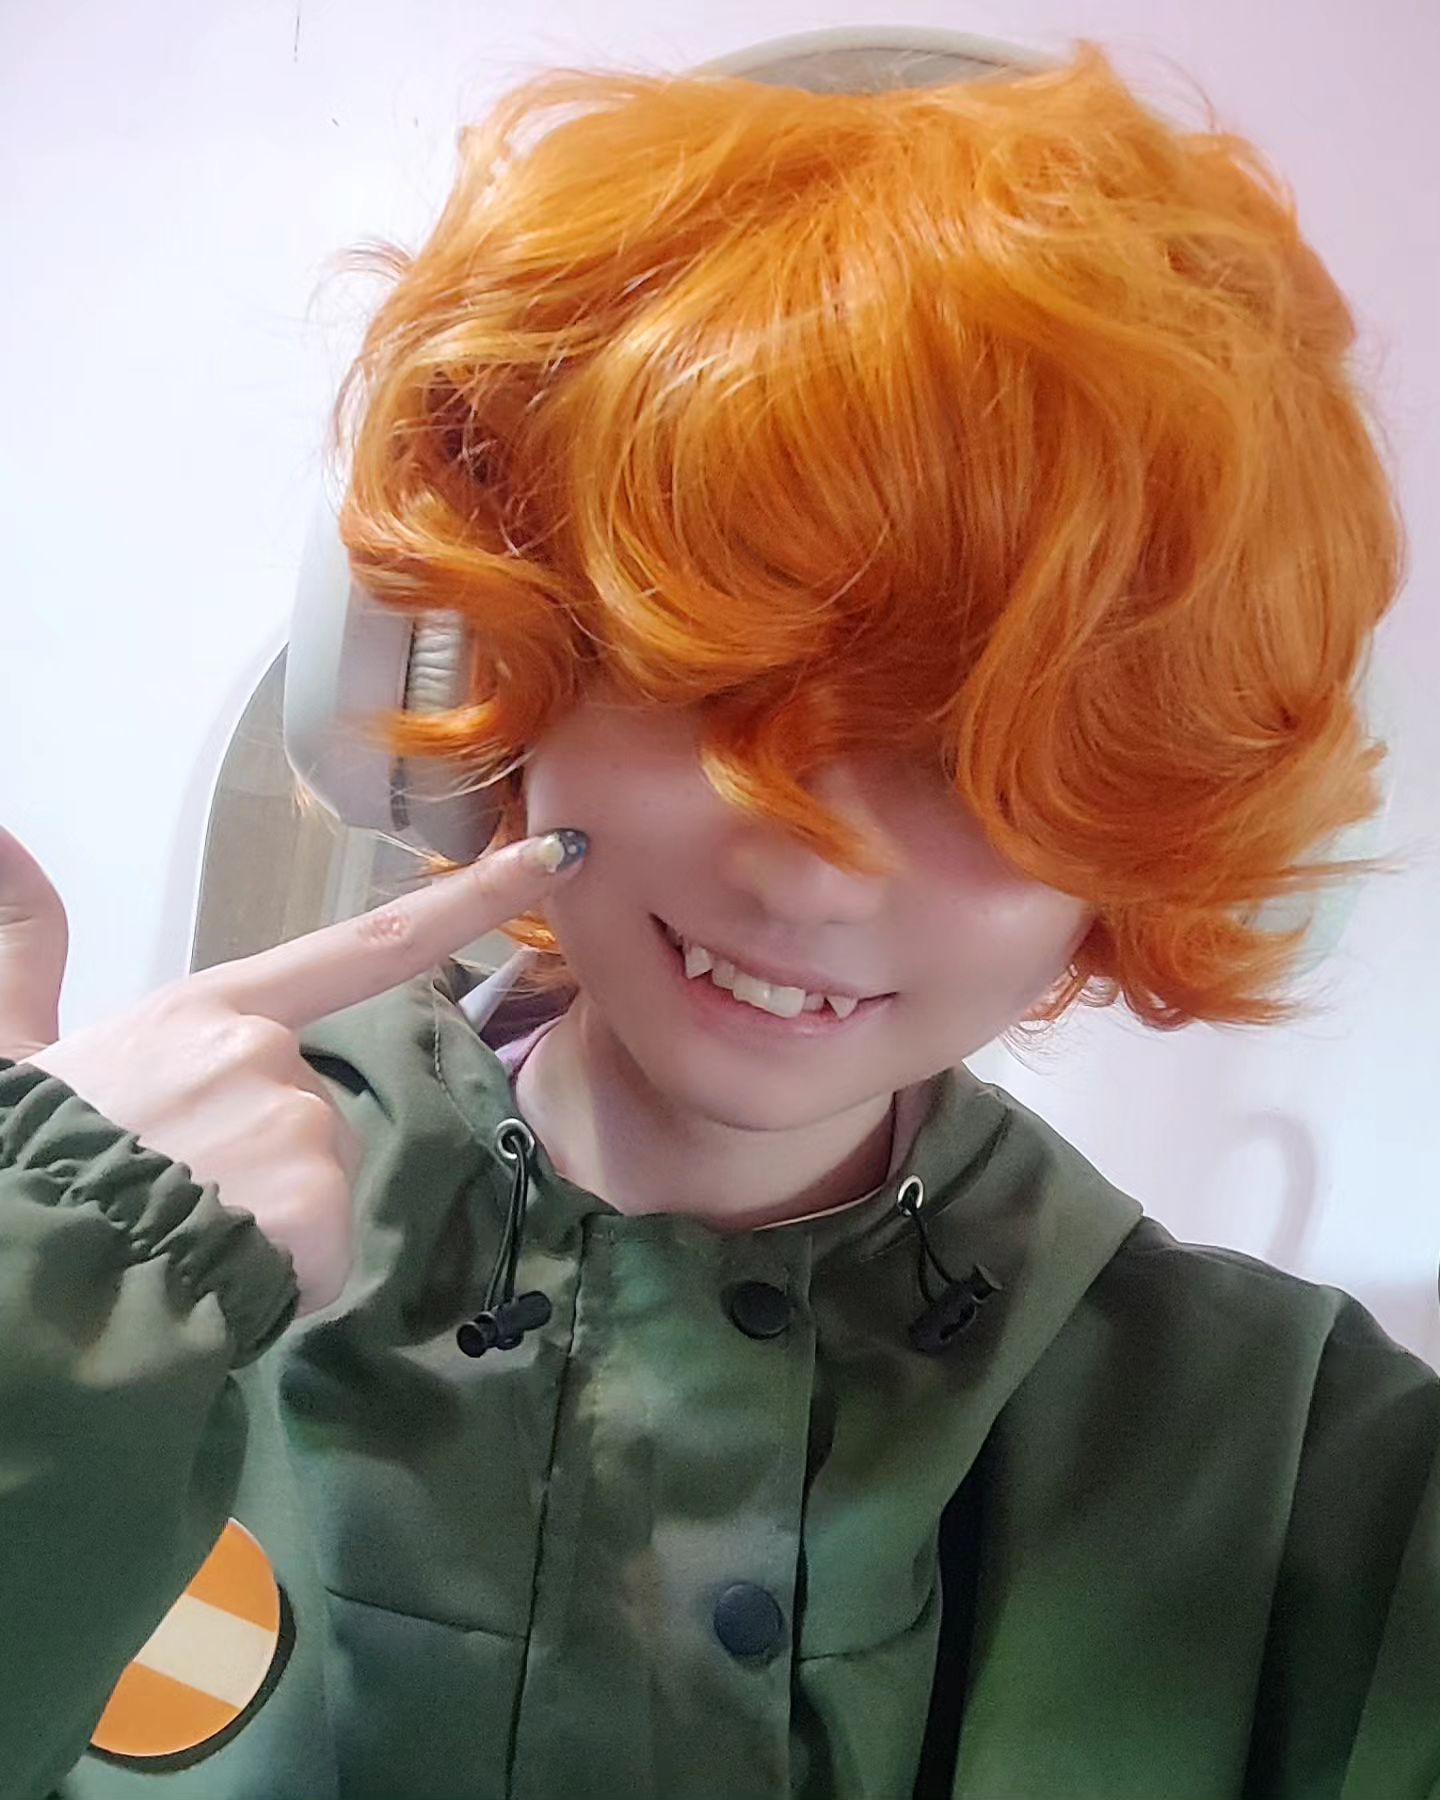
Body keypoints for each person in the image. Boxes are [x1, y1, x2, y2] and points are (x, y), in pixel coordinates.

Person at [1, 37, 1433, 1800]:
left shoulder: (1314, 1473)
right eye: (711, 681)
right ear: (480, 645)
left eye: (993, 766)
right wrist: (40, 1308)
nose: (816, 867)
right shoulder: (109, 1266)